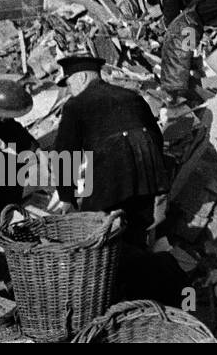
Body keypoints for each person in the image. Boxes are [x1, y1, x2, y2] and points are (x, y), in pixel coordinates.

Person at [52, 55, 170, 248]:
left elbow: (65, 153)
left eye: (70, 83)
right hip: (148, 176)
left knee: (96, 231)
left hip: (113, 172)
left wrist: (66, 197)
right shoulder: (132, 96)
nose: (70, 89)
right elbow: (156, 137)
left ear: (81, 77)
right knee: (137, 231)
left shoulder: (76, 105)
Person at [0, 77, 38, 227]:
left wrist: (36, 152)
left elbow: (15, 133)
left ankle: (5, 213)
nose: (5, 119)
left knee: (15, 167)